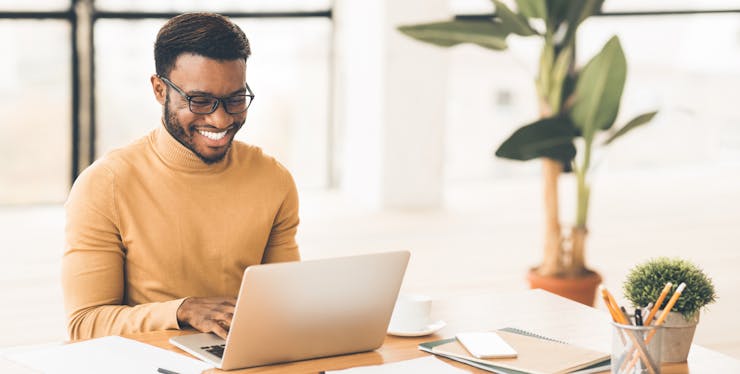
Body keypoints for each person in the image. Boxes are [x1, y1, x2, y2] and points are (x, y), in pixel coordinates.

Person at [61, 12, 300, 341]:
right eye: (200, 101)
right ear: (160, 90)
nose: (219, 119)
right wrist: (182, 310)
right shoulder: (105, 185)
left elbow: (286, 303)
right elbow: (85, 324)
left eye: (234, 100)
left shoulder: (274, 180)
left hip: (244, 358)